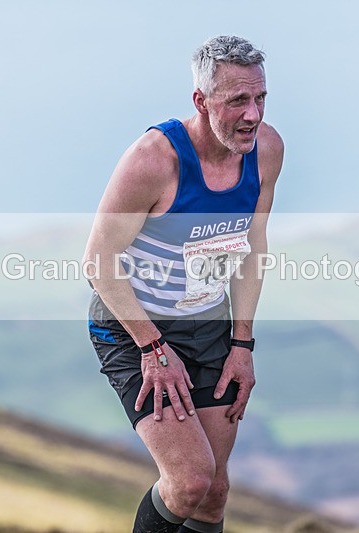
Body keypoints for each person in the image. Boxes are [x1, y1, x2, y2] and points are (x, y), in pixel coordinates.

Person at [83, 35, 283, 533]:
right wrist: (153, 347)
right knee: (190, 480)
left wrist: (242, 343)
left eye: (260, 97)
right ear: (201, 101)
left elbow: (252, 246)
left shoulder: (266, 152)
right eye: (237, 99)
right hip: (135, 327)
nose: (253, 114)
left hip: (208, 324)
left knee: (214, 494)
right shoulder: (155, 160)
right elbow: (98, 260)